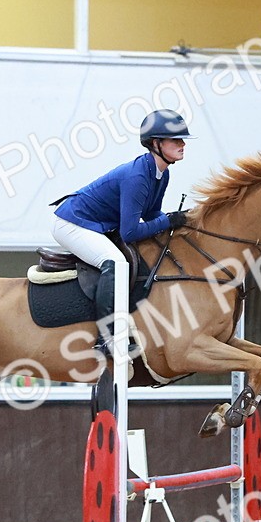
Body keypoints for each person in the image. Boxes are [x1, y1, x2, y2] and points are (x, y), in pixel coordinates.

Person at [50, 109, 194, 354]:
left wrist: (179, 221)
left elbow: (151, 216)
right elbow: (129, 233)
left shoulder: (161, 173)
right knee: (116, 262)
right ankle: (106, 338)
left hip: (94, 224)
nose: (182, 144)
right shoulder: (138, 175)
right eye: (176, 140)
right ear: (156, 144)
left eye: (182, 140)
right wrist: (169, 221)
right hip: (72, 222)